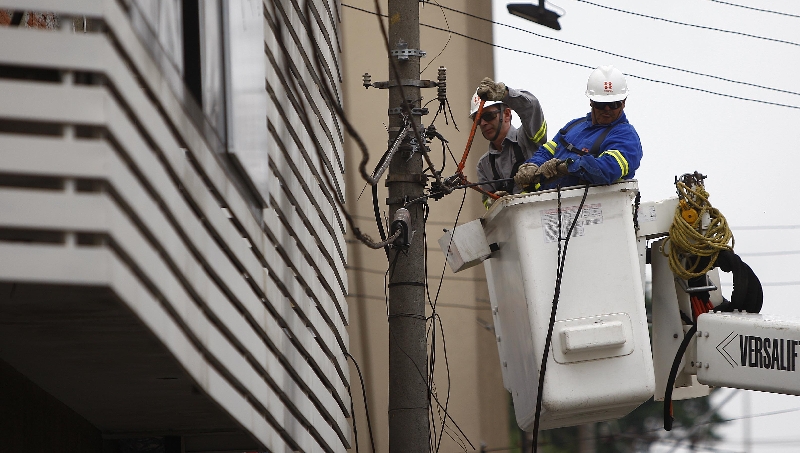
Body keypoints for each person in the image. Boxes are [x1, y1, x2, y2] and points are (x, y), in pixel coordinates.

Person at [514, 65, 642, 191]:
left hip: (594, 208)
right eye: (601, 104)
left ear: (624, 102)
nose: (607, 109)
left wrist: (566, 166)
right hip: (547, 203)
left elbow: (607, 170)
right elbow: (546, 152)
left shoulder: (626, 136)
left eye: (614, 104)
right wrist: (533, 165)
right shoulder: (573, 126)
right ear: (591, 102)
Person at [472, 77, 548, 208]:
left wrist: (504, 94)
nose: (483, 123)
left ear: (507, 114)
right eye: (478, 120)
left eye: (488, 116)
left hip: (541, 213)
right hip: (515, 223)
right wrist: (493, 202)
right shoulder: (484, 165)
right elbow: (488, 202)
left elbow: (531, 108)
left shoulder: (528, 139)